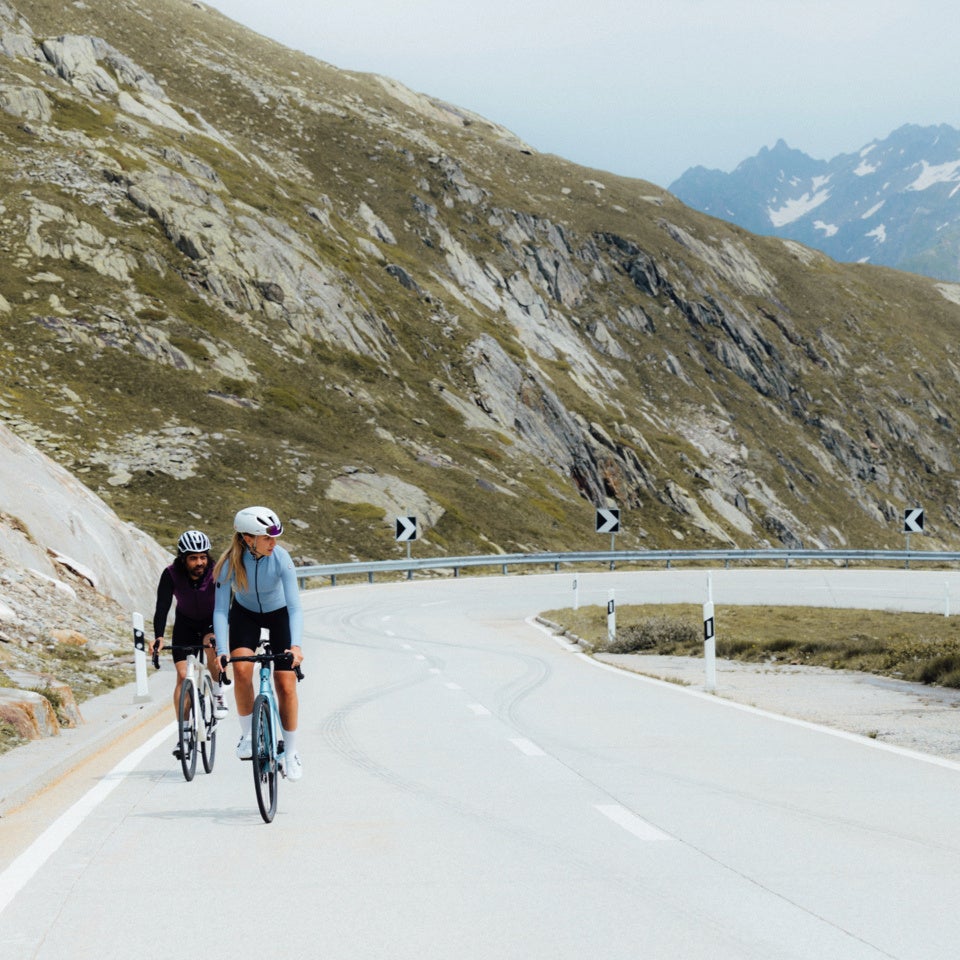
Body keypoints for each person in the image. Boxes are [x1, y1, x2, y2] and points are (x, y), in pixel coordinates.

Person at [213, 507, 304, 781]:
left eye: (275, 537)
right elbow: (220, 610)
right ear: (247, 538)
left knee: (286, 684)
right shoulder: (229, 564)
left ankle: (290, 753)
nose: (273, 542)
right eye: (267, 537)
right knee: (241, 671)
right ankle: (248, 735)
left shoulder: (281, 558)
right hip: (246, 616)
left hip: (280, 616)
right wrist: (220, 651)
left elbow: (296, 608)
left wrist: (296, 646)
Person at [153, 529, 228, 759]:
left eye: (203, 557)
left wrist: (221, 634)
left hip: (211, 622)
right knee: (182, 675)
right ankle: (184, 732)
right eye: (193, 558)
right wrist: (158, 636)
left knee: (211, 647)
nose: (199, 562)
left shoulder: (217, 573)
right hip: (185, 625)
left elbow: (227, 605)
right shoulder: (171, 574)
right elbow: (162, 607)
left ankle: (217, 692)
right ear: (183, 558)